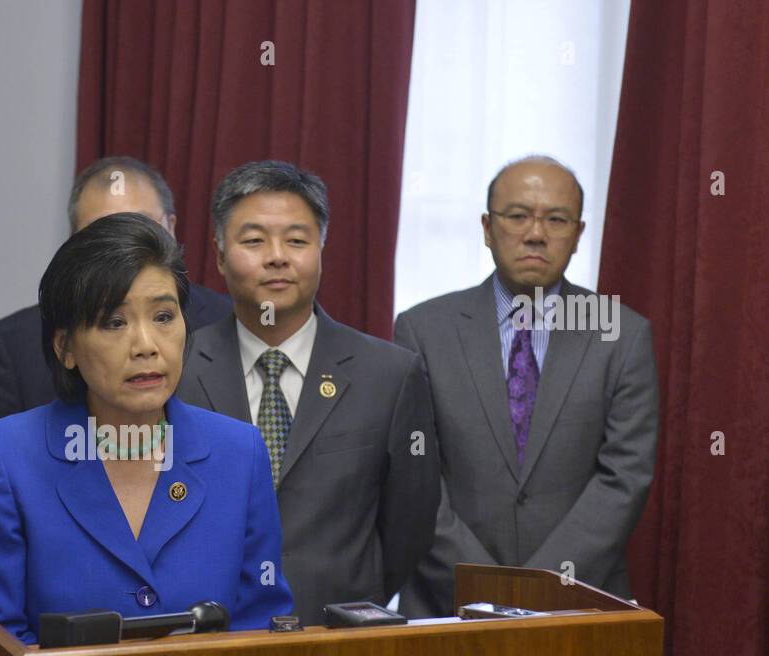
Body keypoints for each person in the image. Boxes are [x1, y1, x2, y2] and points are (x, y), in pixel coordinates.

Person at [0, 213, 292, 643]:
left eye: (164, 317)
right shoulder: (3, 457)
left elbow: (260, 626)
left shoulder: (239, 451)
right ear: (66, 347)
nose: (146, 345)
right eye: (115, 322)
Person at [178, 160, 439, 626]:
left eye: (296, 240)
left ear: (321, 248)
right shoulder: (176, 368)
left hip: (339, 633)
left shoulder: (390, 374)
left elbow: (410, 527)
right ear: (219, 256)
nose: (277, 256)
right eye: (254, 240)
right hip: (206, 634)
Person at [394, 155, 658, 616]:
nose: (535, 233)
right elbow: (416, 479)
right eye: (517, 216)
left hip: (580, 603)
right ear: (487, 227)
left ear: (577, 234)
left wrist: (542, 585)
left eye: (556, 219)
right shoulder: (422, 330)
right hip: (447, 601)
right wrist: (486, 587)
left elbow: (625, 477)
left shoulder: (621, 333)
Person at [0, 155, 232, 436]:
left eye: (141, 227)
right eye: (114, 322)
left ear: (171, 228)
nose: (125, 250)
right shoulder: (14, 342)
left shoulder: (225, 320)